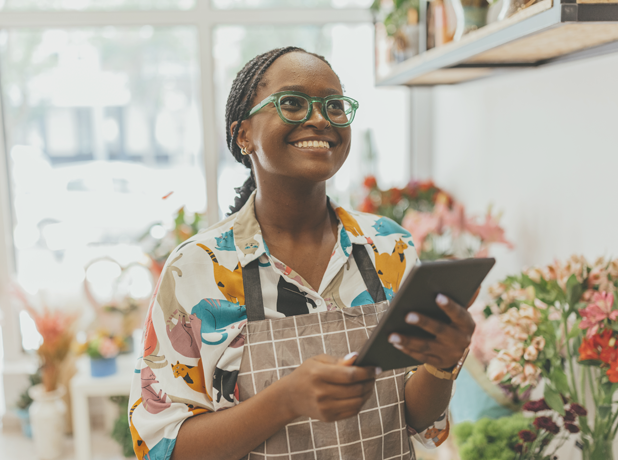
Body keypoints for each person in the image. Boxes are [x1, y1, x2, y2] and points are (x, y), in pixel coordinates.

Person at [128, 46, 475, 460]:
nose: (319, 118)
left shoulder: (389, 247)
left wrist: (443, 364)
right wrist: (284, 400)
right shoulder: (197, 268)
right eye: (292, 103)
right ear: (243, 135)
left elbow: (415, 420)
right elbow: (162, 447)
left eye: (334, 105)